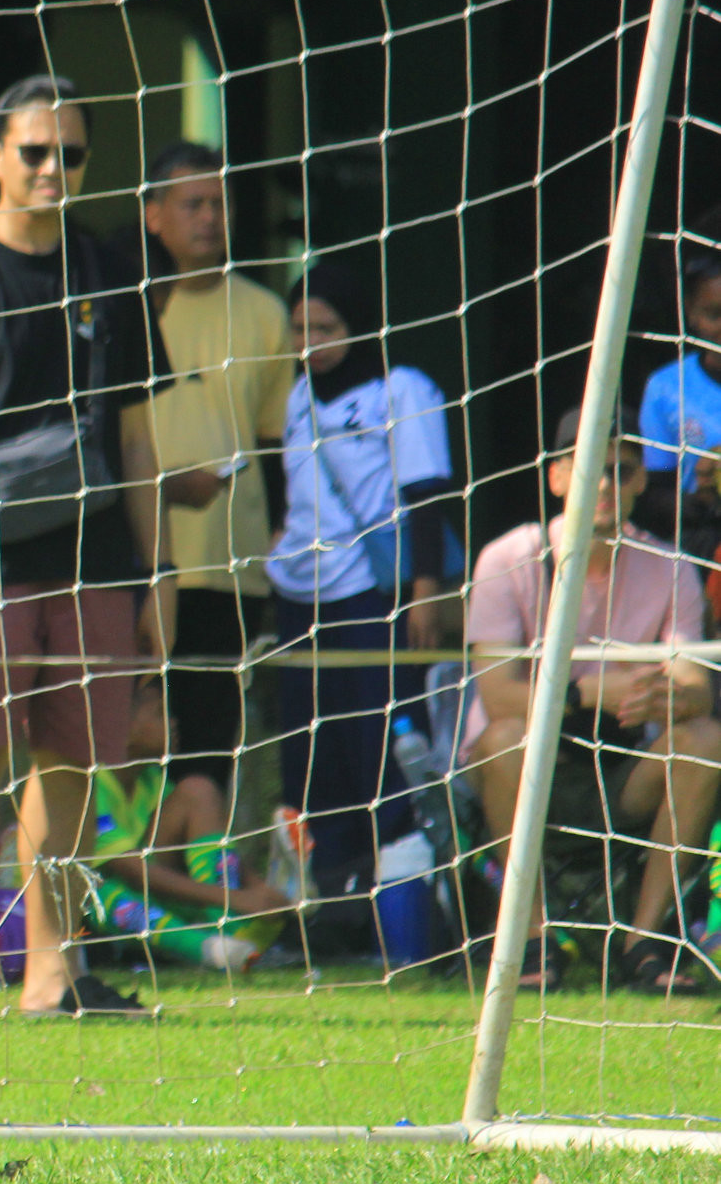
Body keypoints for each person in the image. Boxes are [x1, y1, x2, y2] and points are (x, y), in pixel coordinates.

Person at [0, 74, 174, 1022]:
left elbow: (135, 439)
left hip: (97, 560)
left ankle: (51, 974)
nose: (54, 169)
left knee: (69, 761)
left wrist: (156, 574)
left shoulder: (111, 267)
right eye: (34, 152)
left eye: (72, 154)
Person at [463, 409, 718, 995]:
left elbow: (696, 687)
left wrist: (667, 696)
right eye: (587, 469)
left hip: (625, 764)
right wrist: (591, 690)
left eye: (620, 470)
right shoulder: (506, 558)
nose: (604, 484)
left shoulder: (672, 565)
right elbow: (496, 693)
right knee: (502, 737)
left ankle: (645, 942)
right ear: (557, 478)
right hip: (529, 765)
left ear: (638, 483)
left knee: (706, 739)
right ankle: (530, 939)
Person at [264, 260, 457, 898]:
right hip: (298, 596)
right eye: (298, 329)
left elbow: (427, 492)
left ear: (360, 325)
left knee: (379, 745)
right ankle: (329, 897)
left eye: (326, 328)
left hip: (368, 595)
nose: (310, 344)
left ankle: (399, 899)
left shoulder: (401, 389)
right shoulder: (296, 397)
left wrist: (424, 589)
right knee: (311, 755)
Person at [136, 142, 296, 790]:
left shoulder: (263, 311)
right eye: (192, 203)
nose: (208, 217)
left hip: (231, 561)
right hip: (141, 558)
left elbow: (273, 440)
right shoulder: (128, 306)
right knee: (134, 735)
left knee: (207, 749)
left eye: (218, 204)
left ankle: (203, 881)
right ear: (153, 216)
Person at [79, 678, 290, 973]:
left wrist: (260, 891)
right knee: (100, 891)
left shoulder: (154, 782)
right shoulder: (90, 785)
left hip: (164, 903)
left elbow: (213, 846)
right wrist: (238, 900)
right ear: (121, 730)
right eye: (160, 713)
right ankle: (206, 946)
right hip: (105, 917)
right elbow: (131, 870)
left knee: (199, 790)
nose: (175, 722)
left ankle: (229, 930)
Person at [635, 250, 721, 562]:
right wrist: (697, 500)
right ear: (692, 313)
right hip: (702, 539)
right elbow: (650, 492)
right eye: (714, 314)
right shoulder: (667, 387)